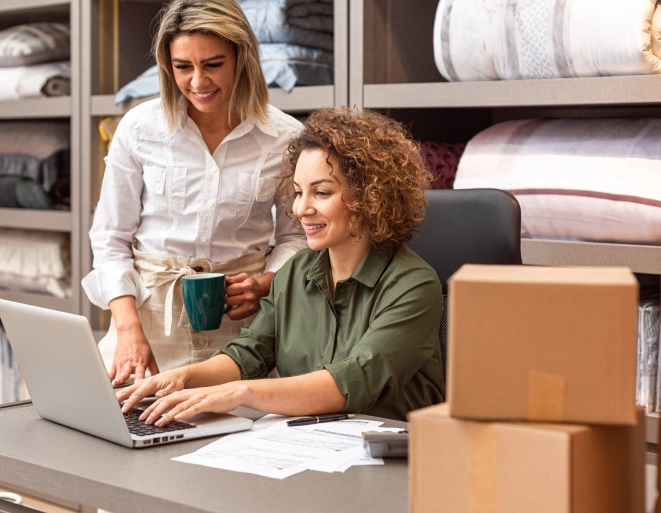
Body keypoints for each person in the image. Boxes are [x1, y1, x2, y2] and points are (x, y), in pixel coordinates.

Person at [116, 107, 446, 424]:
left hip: (391, 460)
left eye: (322, 193)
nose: (302, 209)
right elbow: (248, 355)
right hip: (308, 445)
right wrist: (180, 378)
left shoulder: (413, 285)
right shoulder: (298, 270)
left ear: (371, 195)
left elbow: (353, 381)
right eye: (299, 192)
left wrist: (239, 392)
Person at [82, 0, 307, 385]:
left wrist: (263, 285)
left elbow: (296, 238)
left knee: (238, 437)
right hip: (147, 324)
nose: (198, 82)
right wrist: (128, 330)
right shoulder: (139, 128)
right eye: (183, 67)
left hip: (243, 333)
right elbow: (110, 238)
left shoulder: (284, 137)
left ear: (242, 57)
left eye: (213, 65)